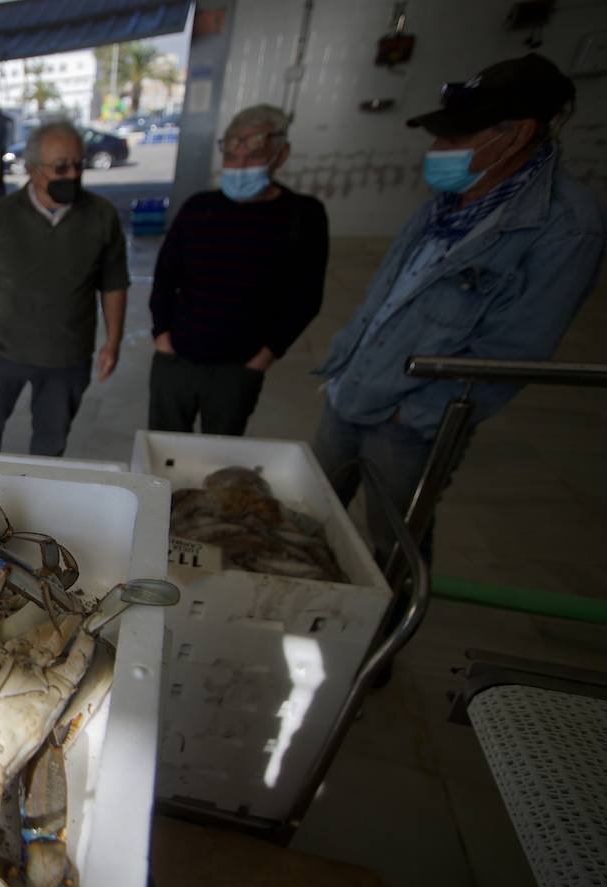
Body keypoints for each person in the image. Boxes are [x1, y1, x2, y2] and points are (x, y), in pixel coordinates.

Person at [313, 53, 603, 562]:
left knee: (395, 541)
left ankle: (385, 632)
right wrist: (346, 365)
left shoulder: (565, 226)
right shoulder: (449, 201)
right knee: (312, 515)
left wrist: (415, 415)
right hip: (351, 387)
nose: (437, 150)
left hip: (407, 423)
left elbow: (514, 351)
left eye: (454, 139)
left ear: (515, 136)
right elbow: (389, 293)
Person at [148, 104, 329, 436]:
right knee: (164, 449)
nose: (239, 167)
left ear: (280, 154)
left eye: (252, 157)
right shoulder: (199, 209)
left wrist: (263, 358)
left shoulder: (302, 216)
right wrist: (162, 336)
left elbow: (306, 297)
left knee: (220, 456)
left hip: (239, 366)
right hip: (177, 357)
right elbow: (164, 277)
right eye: (232, 157)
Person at [0, 120, 129, 457]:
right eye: (61, 167)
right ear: (32, 169)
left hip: (66, 357)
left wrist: (113, 341)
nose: (72, 175)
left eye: (78, 164)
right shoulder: (1, 215)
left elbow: (113, 283)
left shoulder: (101, 216)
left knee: (51, 447)